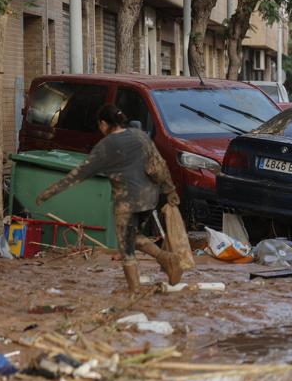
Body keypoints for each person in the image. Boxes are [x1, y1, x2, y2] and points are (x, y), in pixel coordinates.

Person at [36, 104, 183, 293]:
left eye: (100, 125)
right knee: (133, 237)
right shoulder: (140, 135)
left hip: (127, 202)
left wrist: (49, 192)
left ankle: (135, 289)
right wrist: (170, 190)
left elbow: (78, 174)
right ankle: (166, 259)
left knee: (126, 247)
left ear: (104, 124)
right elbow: (159, 165)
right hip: (150, 198)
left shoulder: (105, 146)